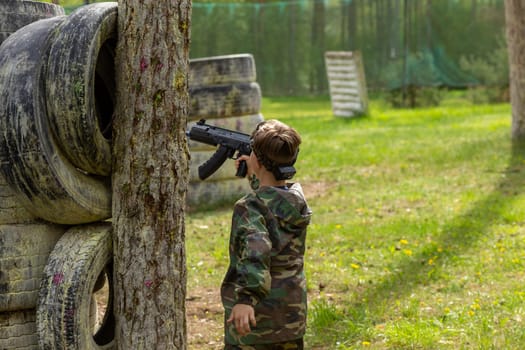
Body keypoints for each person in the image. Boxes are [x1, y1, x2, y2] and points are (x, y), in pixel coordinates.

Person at [221, 119, 312, 350]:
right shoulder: (296, 200)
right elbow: (272, 201)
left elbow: (256, 251)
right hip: (290, 317)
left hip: (256, 324)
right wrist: (255, 175)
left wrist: (245, 300)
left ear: (257, 160)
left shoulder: (250, 208)